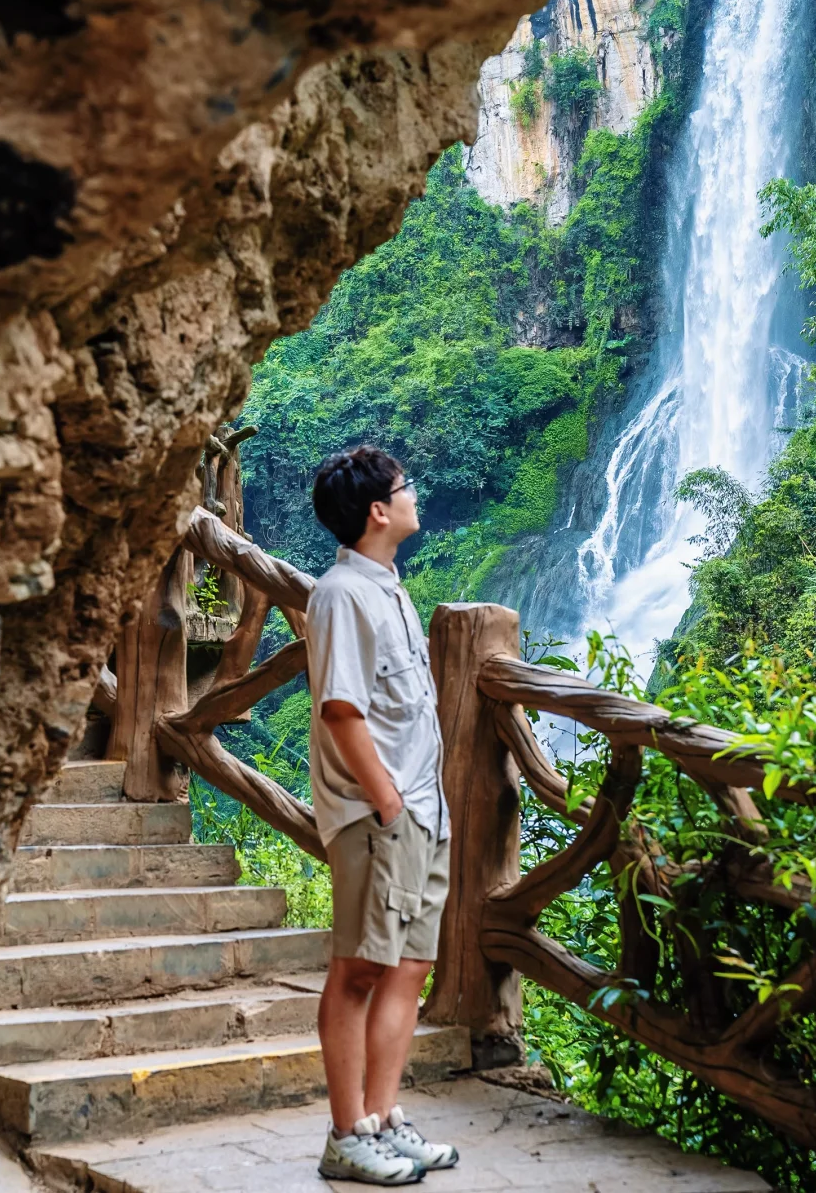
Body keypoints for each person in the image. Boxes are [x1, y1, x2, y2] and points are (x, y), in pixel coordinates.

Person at [306, 445, 457, 1186]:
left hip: (424, 809)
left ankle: (383, 1118)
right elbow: (342, 708)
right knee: (361, 967)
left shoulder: (390, 586)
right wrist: (388, 801)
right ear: (377, 510)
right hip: (379, 811)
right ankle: (345, 1133)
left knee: (408, 966)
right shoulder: (341, 593)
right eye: (405, 486)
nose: (413, 494)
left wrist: (419, 804)